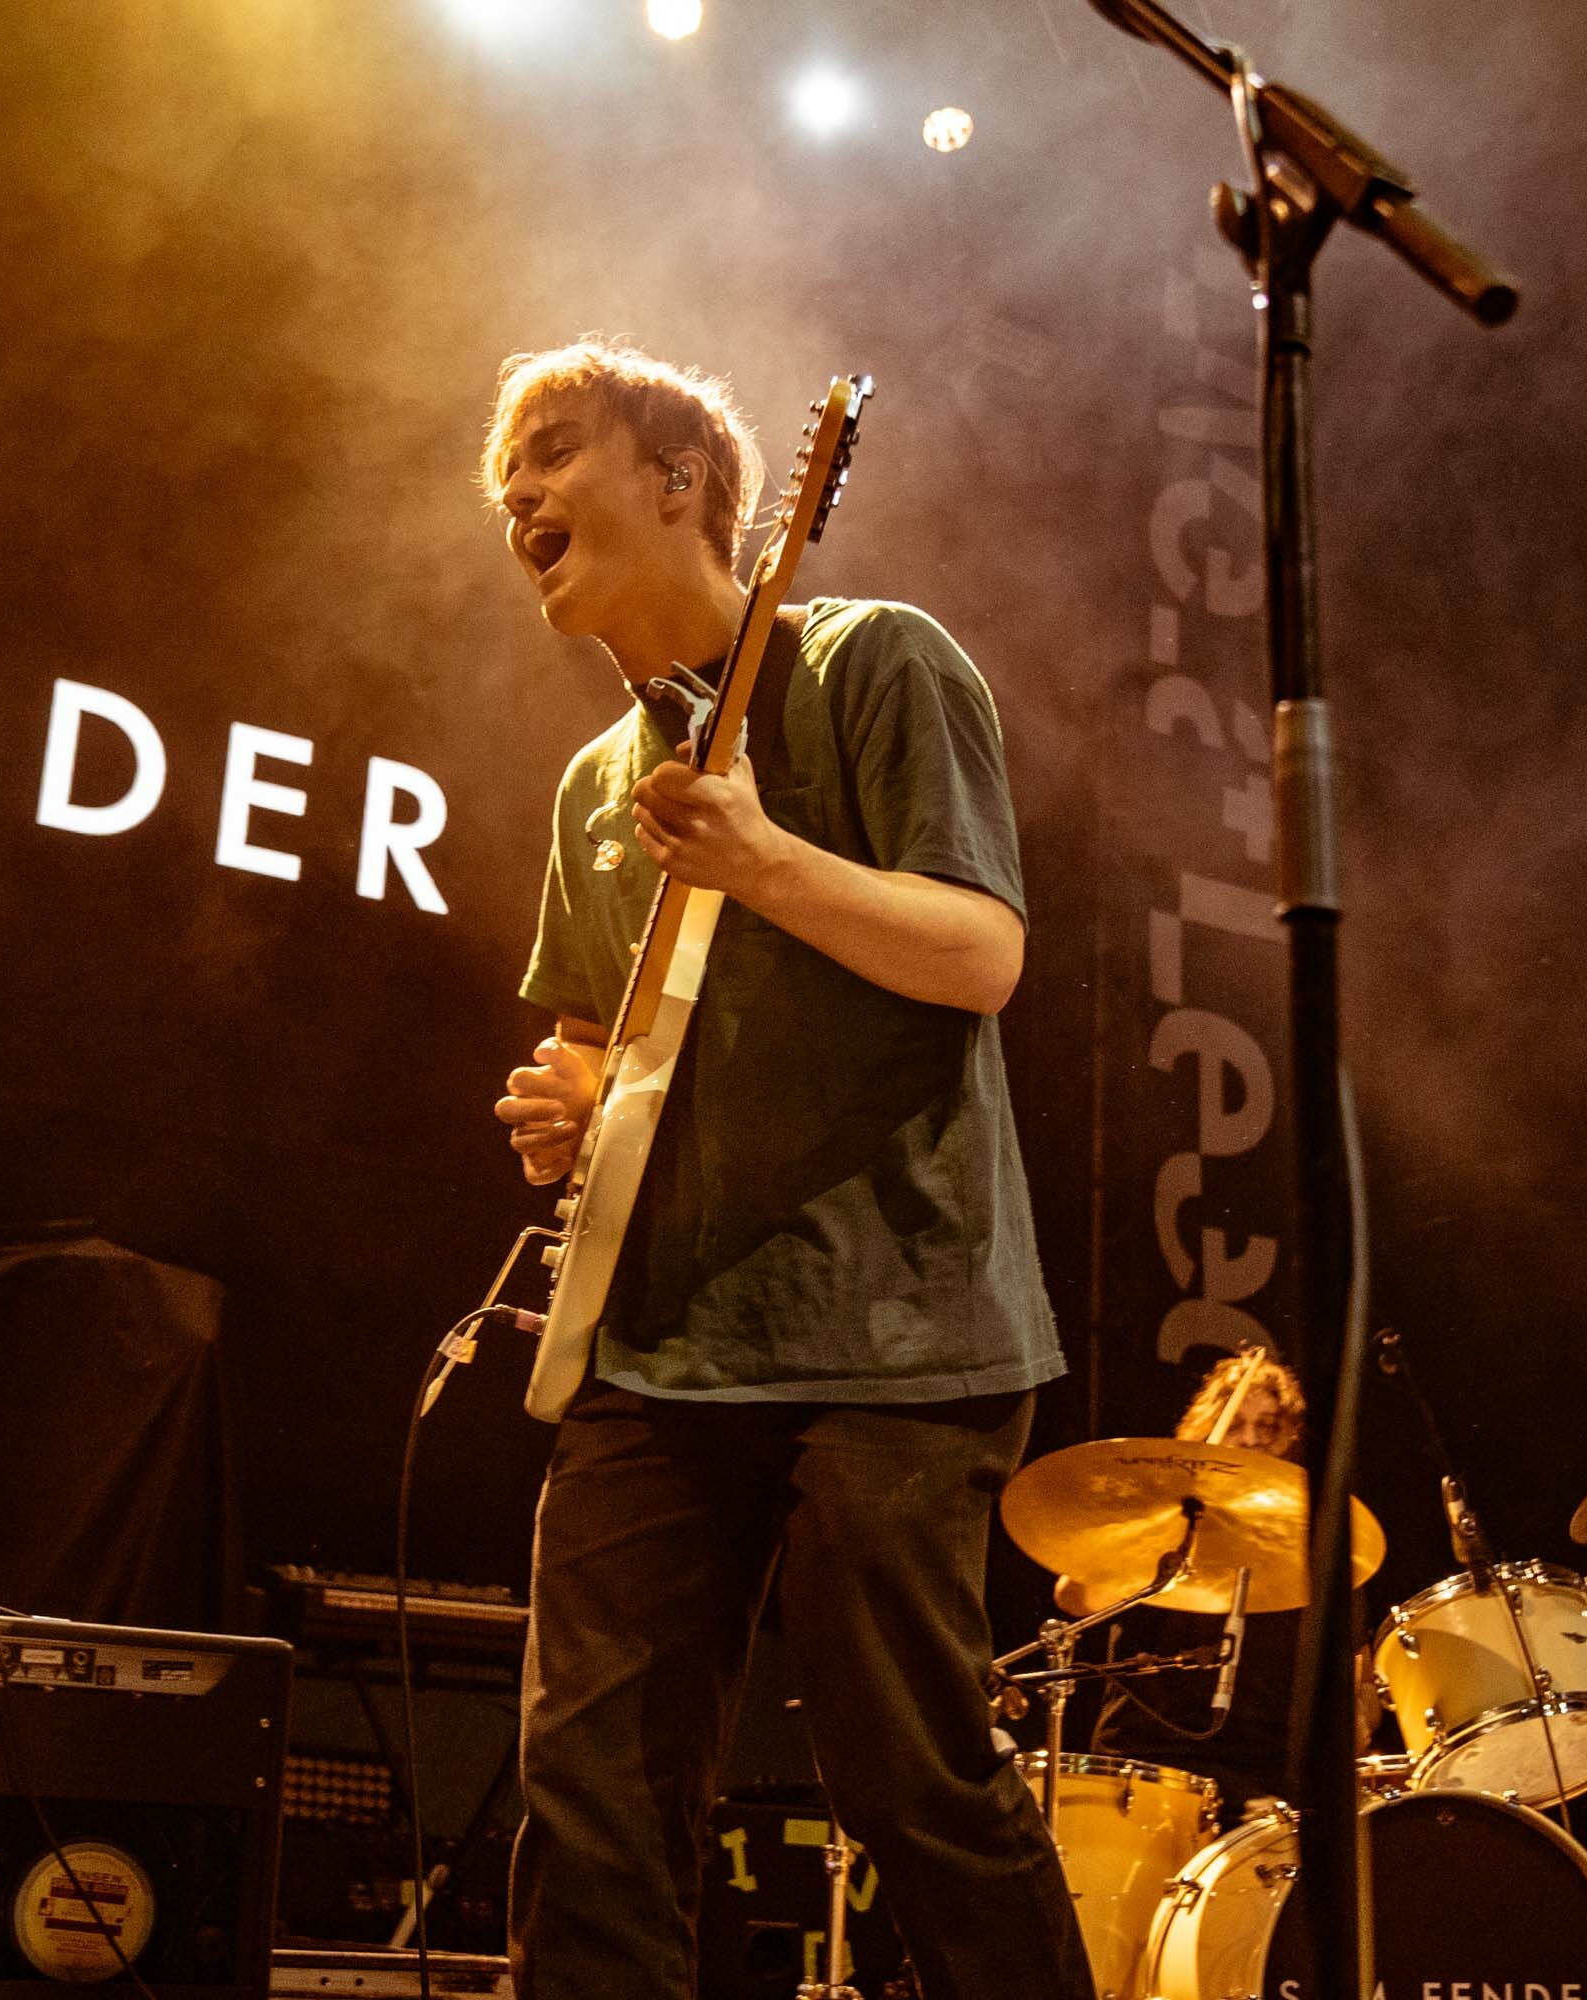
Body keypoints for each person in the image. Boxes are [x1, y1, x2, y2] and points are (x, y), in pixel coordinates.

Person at [480, 341, 1087, 2000]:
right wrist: (570, 1102)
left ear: (682, 483)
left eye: (549, 450)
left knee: (911, 1780)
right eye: (501, 479)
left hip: (897, 1336)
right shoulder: (592, 792)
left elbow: (978, 957)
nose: (516, 494)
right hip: (660, 1342)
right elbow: (628, 1052)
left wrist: (761, 859)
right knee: (590, 1802)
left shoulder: (875, 661)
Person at [1090, 1350, 1374, 1810]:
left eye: (1268, 1427)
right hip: (1156, 1765)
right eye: (1236, 1424)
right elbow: (1076, 1594)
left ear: (1291, 1442)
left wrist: (1359, 1710)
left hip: (1273, 1775)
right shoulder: (1167, 1519)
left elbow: (1361, 1669)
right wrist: (1163, 1532)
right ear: (1207, 1432)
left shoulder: (1315, 1544)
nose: (1251, 1440)